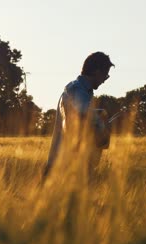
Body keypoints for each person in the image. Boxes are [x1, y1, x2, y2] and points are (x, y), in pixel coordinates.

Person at [42, 52, 114, 183]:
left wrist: (101, 114)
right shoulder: (77, 90)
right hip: (64, 168)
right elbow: (83, 113)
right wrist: (102, 128)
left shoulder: (78, 90)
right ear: (97, 72)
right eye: (105, 75)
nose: (105, 80)